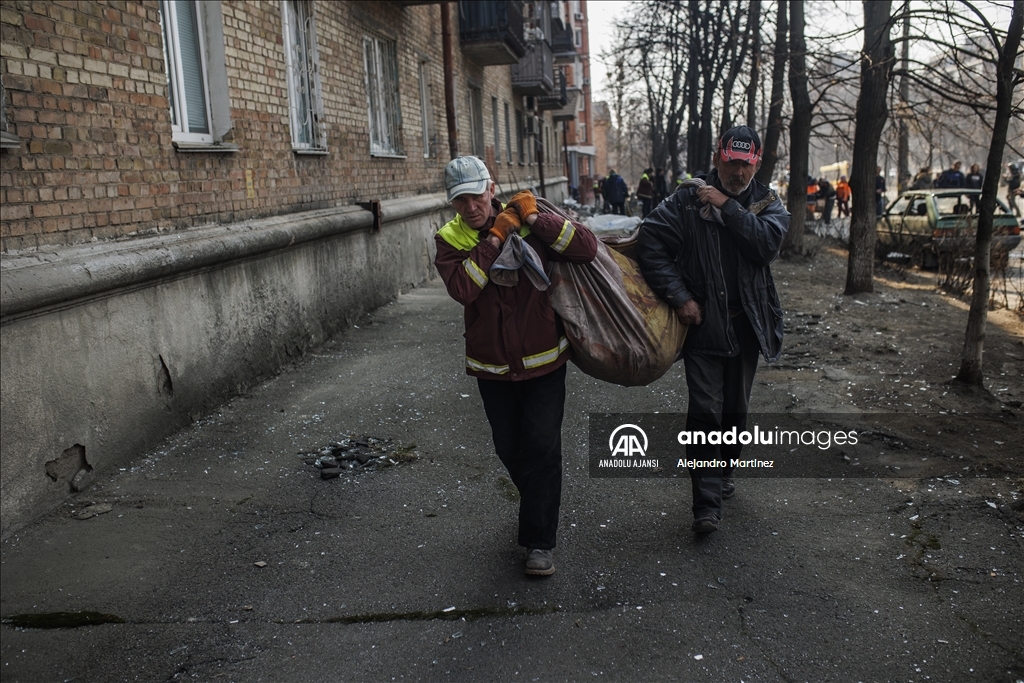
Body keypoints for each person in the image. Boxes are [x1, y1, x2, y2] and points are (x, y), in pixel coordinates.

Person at [434, 157, 598, 575]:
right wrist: (493, 239)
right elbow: (465, 289)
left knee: (542, 446)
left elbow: (585, 248)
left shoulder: (527, 217)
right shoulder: (449, 239)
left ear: (492, 187)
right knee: (509, 447)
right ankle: (538, 507)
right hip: (492, 366)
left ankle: (539, 543)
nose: (471, 206)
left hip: (544, 360)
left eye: (477, 195)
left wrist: (533, 218)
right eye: (461, 200)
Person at [636, 126, 790, 534]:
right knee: (705, 412)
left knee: (735, 412)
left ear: (756, 163)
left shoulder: (766, 202)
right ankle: (705, 506)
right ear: (719, 157)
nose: (737, 172)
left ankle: (723, 471)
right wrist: (679, 296)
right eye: (731, 162)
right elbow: (650, 240)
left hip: (748, 324)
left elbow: (765, 246)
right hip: (704, 324)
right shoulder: (687, 199)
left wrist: (727, 206)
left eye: (745, 164)